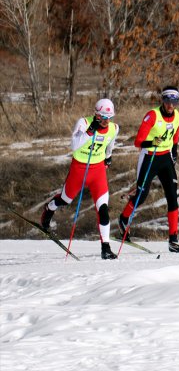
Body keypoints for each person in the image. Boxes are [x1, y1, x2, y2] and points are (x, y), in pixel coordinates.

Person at [41, 98, 120, 260]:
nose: (106, 121)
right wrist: (90, 131)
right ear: (96, 114)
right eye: (102, 118)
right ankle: (50, 207)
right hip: (79, 169)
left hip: (97, 171)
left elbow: (110, 143)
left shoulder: (114, 128)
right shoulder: (83, 123)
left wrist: (108, 157)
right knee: (65, 199)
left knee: (103, 208)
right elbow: (74, 145)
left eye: (109, 118)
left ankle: (106, 247)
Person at [118, 86, 179, 252]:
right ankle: (124, 218)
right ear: (163, 100)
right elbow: (138, 142)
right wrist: (151, 142)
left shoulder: (178, 116)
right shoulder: (152, 115)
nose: (171, 105)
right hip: (149, 157)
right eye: (167, 100)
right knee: (141, 195)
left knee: (172, 197)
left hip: (165, 159)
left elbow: (175, 135)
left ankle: (173, 241)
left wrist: (174, 153)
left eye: (174, 101)